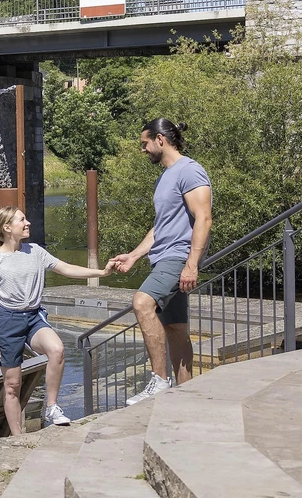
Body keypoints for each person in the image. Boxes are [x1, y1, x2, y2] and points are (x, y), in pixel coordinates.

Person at [0, 205, 115, 433]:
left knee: (57, 350)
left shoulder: (35, 251)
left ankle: (51, 407)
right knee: (13, 385)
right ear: (7, 227)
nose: (28, 223)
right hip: (7, 321)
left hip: (33, 317)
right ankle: (18, 439)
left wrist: (102, 273)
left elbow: (66, 268)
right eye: (22, 220)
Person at [108, 119, 212, 406]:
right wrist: (134, 255)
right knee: (175, 327)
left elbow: (203, 217)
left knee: (142, 303)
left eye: (145, 144)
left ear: (160, 140)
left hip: (178, 256)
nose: (143, 150)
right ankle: (186, 396)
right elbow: (159, 228)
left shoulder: (189, 171)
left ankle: (159, 380)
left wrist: (192, 264)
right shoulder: (164, 177)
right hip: (164, 256)